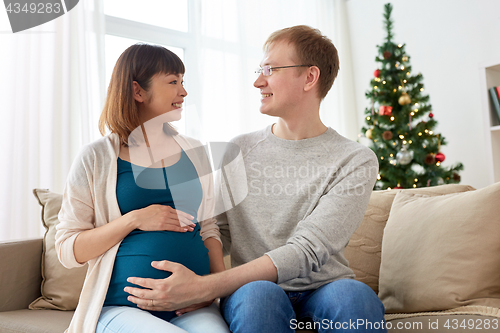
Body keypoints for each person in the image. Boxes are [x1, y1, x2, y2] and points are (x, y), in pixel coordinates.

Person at [124, 26, 386, 332]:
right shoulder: (240, 150)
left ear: (310, 77)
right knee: (260, 296)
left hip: (325, 288)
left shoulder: (355, 159)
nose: (257, 81)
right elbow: (216, 231)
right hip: (253, 290)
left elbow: (307, 250)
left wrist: (207, 287)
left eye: (270, 69)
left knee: (355, 297)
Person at [55, 44, 230, 333]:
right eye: (173, 82)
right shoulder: (96, 157)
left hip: (192, 305)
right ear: (138, 91)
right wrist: (135, 219)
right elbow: (67, 250)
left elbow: (209, 228)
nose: (183, 92)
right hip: (121, 307)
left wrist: (213, 290)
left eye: (182, 82)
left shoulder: (195, 151)